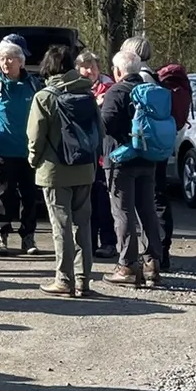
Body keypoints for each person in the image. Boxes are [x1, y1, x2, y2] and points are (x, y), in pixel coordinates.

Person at [28, 45, 101, 297]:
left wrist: (33, 160)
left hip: (54, 171)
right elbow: (99, 132)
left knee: (61, 226)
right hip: (85, 168)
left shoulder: (44, 97)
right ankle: (83, 280)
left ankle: (64, 279)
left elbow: (35, 138)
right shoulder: (87, 93)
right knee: (83, 225)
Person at [101, 46, 171, 289]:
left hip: (121, 161)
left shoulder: (116, 92)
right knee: (147, 211)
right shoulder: (152, 91)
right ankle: (153, 263)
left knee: (123, 212)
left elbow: (105, 125)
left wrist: (100, 106)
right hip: (148, 159)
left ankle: (128, 266)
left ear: (118, 71)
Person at [0, 38, 44, 256]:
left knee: (29, 196)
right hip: (1, 150)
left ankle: (28, 238)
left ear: (21, 62)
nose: (5, 63)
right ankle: (1, 238)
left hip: (28, 151)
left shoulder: (33, 85)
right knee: (3, 196)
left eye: (10, 59)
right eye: (2, 59)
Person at [77, 49, 118, 260]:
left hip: (103, 155)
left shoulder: (109, 88)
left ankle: (109, 242)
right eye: (85, 67)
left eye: (92, 66)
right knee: (87, 202)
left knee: (104, 202)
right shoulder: (76, 90)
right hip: (84, 154)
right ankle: (88, 243)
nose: (89, 70)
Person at [155, 63, 193, 271]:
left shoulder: (148, 81)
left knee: (144, 202)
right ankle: (162, 252)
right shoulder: (162, 82)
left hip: (142, 149)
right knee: (160, 198)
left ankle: (152, 256)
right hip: (162, 145)